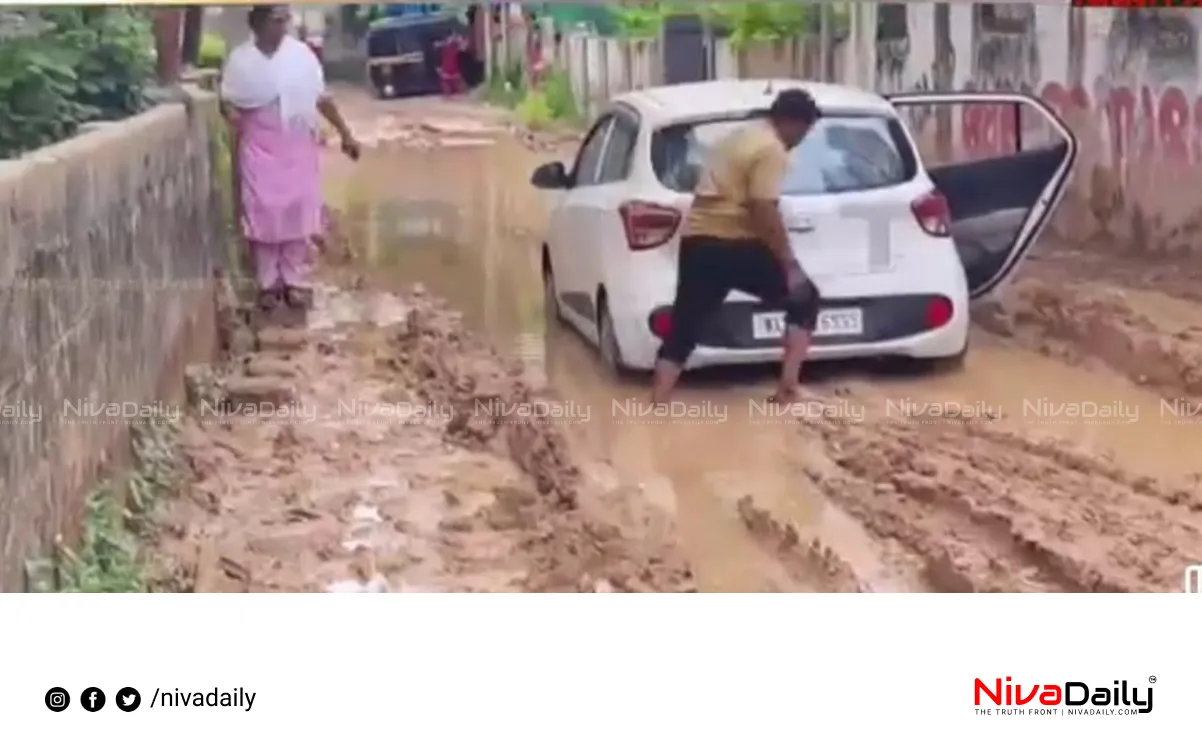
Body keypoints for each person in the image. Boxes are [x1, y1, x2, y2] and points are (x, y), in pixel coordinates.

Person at [651, 89, 823, 405]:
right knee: (804, 297)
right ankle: (788, 389)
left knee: (684, 325)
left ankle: (657, 404)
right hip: (734, 243)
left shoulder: (740, 136)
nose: (801, 139)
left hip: (699, 241)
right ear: (794, 123)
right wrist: (789, 262)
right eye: (804, 132)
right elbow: (763, 209)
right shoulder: (772, 149)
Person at [220, 4, 361, 311]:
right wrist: (232, 117)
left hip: (297, 144)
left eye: (285, 19)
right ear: (256, 23)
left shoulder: (301, 57)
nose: (282, 25)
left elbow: (322, 99)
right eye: (275, 19)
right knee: (263, 209)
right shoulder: (240, 61)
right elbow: (229, 102)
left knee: (298, 210)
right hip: (259, 146)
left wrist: (346, 134)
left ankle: (294, 280)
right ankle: (268, 283)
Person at [436, 29, 468, 97]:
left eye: (454, 36)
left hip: (454, 74)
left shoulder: (454, 45)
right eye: (452, 36)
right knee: (448, 94)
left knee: (462, 92)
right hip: (447, 74)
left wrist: (461, 40)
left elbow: (464, 47)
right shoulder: (444, 46)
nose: (453, 38)